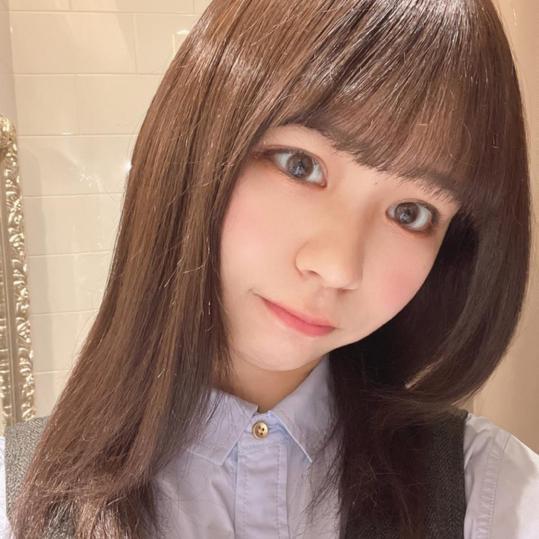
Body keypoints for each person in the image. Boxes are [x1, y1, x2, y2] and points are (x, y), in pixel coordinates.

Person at [2, 0, 538, 537]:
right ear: (194, 144)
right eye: (300, 165)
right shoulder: (16, 500)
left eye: (411, 213)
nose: (338, 267)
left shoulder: (493, 497)